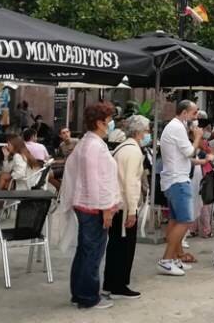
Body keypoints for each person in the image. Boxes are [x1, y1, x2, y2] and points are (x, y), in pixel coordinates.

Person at [62, 102, 119, 310]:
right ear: (99, 122)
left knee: (85, 251)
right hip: (93, 207)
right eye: (109, 120)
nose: (111, 123)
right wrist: (105, 208)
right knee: (92, 252)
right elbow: (95, 181)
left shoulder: (88, 143)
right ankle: (88, 296)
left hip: (87, 205)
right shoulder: (93, 146)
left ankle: (79, 292)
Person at [158, 100, 214, 277]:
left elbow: (186, 155)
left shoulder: (177, 126)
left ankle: (174, 257)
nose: (196, 117)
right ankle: (166, 260)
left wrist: (200, 158)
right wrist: (197, 137)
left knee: (176, 220)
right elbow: (190, 151)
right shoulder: (176, 127)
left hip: (175, 178)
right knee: (185, 220)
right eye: (194, 113)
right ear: (184, 112)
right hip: (178, 180)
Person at [103, 114, 147, 300]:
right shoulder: (133, 151)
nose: (148, 134)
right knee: (124, 247)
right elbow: (131, 183)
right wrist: (132, 210)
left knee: (115, 246)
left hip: (117, 203)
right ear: (138, 132)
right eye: (146, 130)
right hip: (124, 205)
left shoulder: (122, 147)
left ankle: (111, 283)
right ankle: (119, 285)